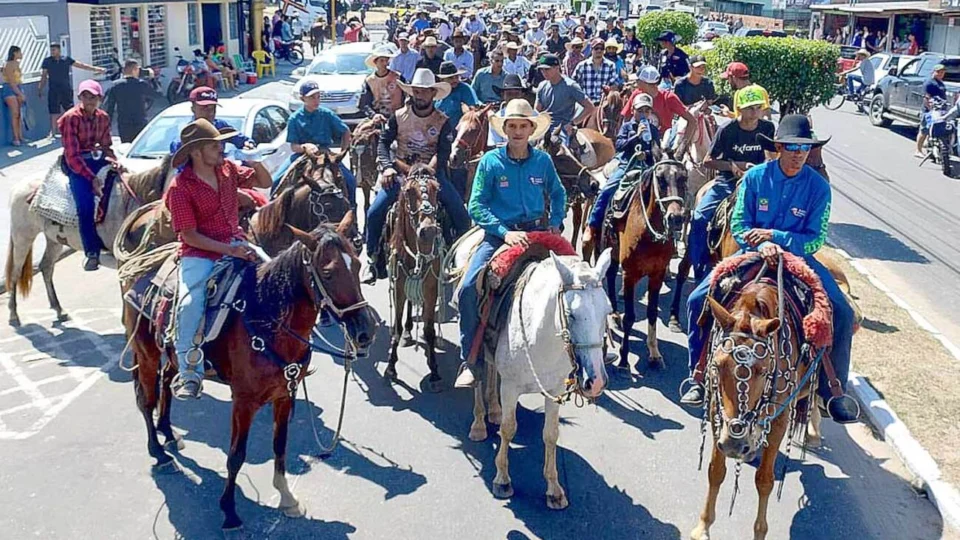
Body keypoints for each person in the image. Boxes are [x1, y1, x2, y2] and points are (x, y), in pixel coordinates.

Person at [681, 115, 860, 424]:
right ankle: (697, 375)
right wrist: (758, 243)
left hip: (799, 258)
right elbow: (739, 224)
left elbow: (816, 237)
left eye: (805, 148)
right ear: (778, 146)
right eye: (791, 147)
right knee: (698, 299)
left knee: (841, 312)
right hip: (751, 254)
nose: (798, 153)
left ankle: (833, 390)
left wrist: (775, 238)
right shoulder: (754, 178)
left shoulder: (819, 188)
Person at [453, 99, 566, 388]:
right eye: (512, 126)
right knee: (468, 288)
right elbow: (476, 205)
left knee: (577, 280)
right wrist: (503, 232)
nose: (517, 131)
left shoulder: (543, 161)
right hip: (499, 235)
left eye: (523, 126)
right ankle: (471, 358)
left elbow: (558, 192)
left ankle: (580, 352)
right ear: (504, 130)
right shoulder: (491, 162)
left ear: (531, 129)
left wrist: (555, 220)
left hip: (537, 232)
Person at [164, 118, 273, 400]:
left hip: (236, 241)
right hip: (200, 253)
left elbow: (265, 182)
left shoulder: (228, 169)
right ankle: (189, 373)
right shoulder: (180, 187)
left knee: (278, 277)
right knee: (190, 304)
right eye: (215, 145)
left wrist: (255, 158)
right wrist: (230, 251)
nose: (221, 148)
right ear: (197, 151)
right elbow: (189, 236)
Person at [361, 69, 471, 283]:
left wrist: (427, 171)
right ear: (413, 93)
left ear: (432, 94)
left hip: (432, 174)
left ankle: (458, 257)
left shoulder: (443, 121)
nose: (420, 95)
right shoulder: (398, 116)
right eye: (417, 92)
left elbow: (443, 151)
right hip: (401, 172)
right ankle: (371, 259)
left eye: (425, 92)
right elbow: (384, 143)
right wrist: (387, 167)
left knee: (461, 214)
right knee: (375, 212)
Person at [687, 86, 775, 282]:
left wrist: (763, 167)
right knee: (700, 217)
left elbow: (773, 156)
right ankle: (697, 261)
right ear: (740, 109)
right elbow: (708, 160)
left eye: (759, 107)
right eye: (750, 108)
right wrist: (734, 165)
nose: (755, 112)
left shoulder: (767, 128)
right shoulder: (727, 129)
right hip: (726, 182)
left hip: (757, 185)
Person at [583, 93, 660, 246]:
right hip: (627, 164)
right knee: (608, 189)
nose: (644, 114)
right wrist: (636, 137)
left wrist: (648, 153)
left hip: (648, 166)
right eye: (640, 110)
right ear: (633, 111)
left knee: (666, 190)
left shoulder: (653, 129)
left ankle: (668, 230)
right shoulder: (626, 127)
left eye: (647, 111)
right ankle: (592, 226)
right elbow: (619, 146)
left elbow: (657, 149)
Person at [59, 80, 120, 271]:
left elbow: (106, 146)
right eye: (85, 96)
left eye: (93, 97)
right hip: (77, 163)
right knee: (84, 206)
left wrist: (113, 160)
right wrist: (91, 177)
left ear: (99, 99)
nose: (89, 101)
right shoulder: (71, 118)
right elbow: (72, 155)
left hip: (98, 158)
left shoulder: (103, 117)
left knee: (121, 189)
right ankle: (91, 252)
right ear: (80, 98)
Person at [284, 80, 357, 208]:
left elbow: (345, 131)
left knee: (350, 180)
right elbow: (293, 146)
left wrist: (342, 152)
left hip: (325, 153)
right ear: (302, 98)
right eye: (312, 97)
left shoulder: (326, 114)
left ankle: (351, 211)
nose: (316, 100)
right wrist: (304, 146)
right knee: (277, 180)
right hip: (303, 155)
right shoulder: (294, 119)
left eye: (318, 96)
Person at [38, 42, 106, 138]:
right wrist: (40, 88)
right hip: (53, 89)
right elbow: (44, 76)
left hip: (65, 88)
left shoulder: (66, 59)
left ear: (59, 50)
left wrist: (96, 69)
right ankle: (53, 132)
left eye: (54, 50)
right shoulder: (47, 61)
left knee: (69, 109)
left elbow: (81, 65)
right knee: (54, 110)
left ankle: (74, 128)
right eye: (51, 50)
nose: (52, 52)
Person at [620, 65, 696, 149]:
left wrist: (682, 147)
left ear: (645, 83)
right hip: (638, 142)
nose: (636, 83)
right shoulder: (637, 94)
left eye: (638, 80)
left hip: (663, 145)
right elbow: (626, 118)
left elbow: (692, 121)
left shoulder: (669, 98)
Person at [436, 61, 479, 196]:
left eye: (456, 77)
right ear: (443, 80)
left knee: (457, 171)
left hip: (459, 139)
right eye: (450, 78)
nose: (455, 80)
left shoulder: (464, 89)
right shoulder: (437, 93)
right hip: (439, 138)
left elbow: (473, 110)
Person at [169, 87, 252, 155]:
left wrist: (248, 144)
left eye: (213, 108)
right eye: (204, 108)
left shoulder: (220, 126)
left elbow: (240, 139)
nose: (210, 113)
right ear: (193, 109)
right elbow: (178, 164)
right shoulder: (187, 133)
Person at [534, 54, 594, 135]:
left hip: (563, 129)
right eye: (542, 70)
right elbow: (537, 110)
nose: (544, 72)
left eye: (547, 69)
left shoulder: (571, 86)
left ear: (557, 67)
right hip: (544, 126)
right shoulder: (542, 86)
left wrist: (573, 123)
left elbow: (589, 107)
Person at [103, 59, 153, 143]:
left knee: (126, 148)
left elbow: (109, 108)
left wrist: (107, 126)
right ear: (135, 70)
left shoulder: (115, 86)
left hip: (124, 124)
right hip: (140, 121)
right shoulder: (142, 84)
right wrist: (151, 77)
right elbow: (154, 96)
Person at [359, 47, 404, 120]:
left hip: (398, 116)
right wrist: (373, 115)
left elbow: (407, 96)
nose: (385, 63)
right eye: (382, 61)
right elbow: (364, 103)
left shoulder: (398, 77)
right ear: (375, 62)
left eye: (386, 60)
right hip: (379, 117)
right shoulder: (370, 80)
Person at [573, 37, 621, 105]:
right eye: (596, 48)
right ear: (591, 49)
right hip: (585, 103)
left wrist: (610, 90)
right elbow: (573, 84)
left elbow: (615, 84)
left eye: (601, 48)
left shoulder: (611, 65)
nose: (599, 50)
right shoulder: (582, 66)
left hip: (604, 103)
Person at [917, 63, 947, 159]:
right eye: (938, 72)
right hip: (929, 111)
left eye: (942, 72)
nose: (940, 74)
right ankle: (918, 150)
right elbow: (926, 98)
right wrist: (930, 110)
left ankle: (933, 149)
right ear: (933, 72)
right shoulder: (929, 83)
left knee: (935, 131)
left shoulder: (941, 83)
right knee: (924, 130)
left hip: (940, 111)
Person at [487, 74, 526, 146]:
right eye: (509, 94)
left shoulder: (533, 116)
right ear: (503, 95)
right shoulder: (496, 119)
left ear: (522, 95)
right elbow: (495, 145)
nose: (513, 97)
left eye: (516, 94)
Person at [2, 45, 25, 146]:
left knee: (19, 114)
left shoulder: (17, 64)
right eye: (20, 52)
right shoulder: (9, 64)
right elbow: (11, 82)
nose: (21, 54)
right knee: (15, 113)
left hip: (18, 87)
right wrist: (20, 93)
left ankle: (20, 136)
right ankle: (15, 138)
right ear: (15, 53)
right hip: (10, 89)